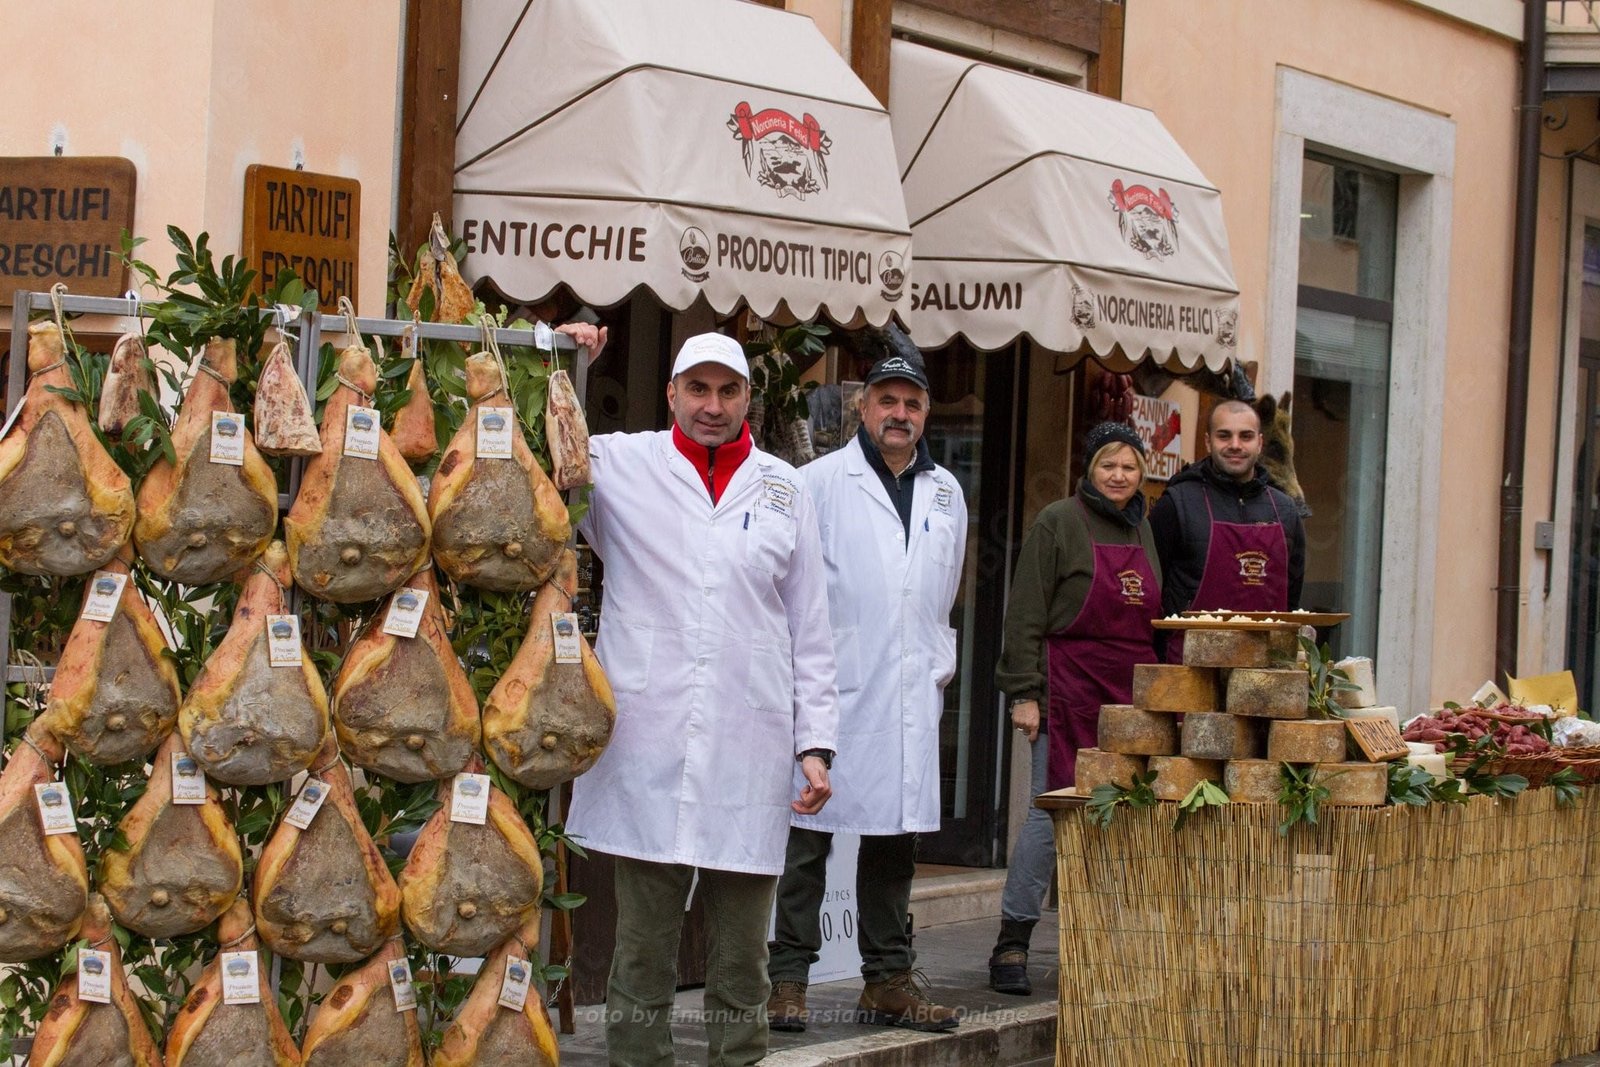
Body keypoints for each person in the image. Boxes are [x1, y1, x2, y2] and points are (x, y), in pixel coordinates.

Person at [565, 330, 839, 1067]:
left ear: (749, 397)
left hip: (748, 746)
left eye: (727, 392)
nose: (712, 407)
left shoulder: (786, 488)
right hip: (648, 739)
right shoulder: (620, 463)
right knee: (643, 952)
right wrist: (563, 361)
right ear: (672, 394)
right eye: (698, 390)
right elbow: (537, 449)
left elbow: (811, 628)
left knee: (744, 961)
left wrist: (815, 744)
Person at [766, 349, 968, 1034]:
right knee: (807, 838)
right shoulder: (818, 481)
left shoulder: (948, 493)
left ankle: (886, 979)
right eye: (887, 401)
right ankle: (788, 980)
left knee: (894, 845)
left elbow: (943, 597)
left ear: (925, 413)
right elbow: (789, 588)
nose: (899, 414)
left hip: (908, 692)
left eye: (911, 403)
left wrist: (937, 664)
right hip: (833, 687)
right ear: (863, 405)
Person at [986, 421, 1162, 996]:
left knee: (1119, 816)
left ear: (1142, 474)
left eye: (1129, 467)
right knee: (1051, 815)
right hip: (1069, 688)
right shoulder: (1057, 522)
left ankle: (1100, 944)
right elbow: (1026, 613)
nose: (1119, 476)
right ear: (1089, 469)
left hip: (1131, 696)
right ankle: (1013, 942)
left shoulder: (1145, 528)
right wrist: (1024, 692)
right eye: (1108, 465)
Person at [1148, 399, 1306, 660]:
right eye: (1224, 436)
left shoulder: (1286, 511)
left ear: (1260, 443)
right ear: (1208, 442)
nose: (1235, 445)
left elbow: (1292, 597)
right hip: (1188, 671)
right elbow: (1152, 593)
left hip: (1266, 670)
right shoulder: (1177, 504)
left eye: (1246, 436)